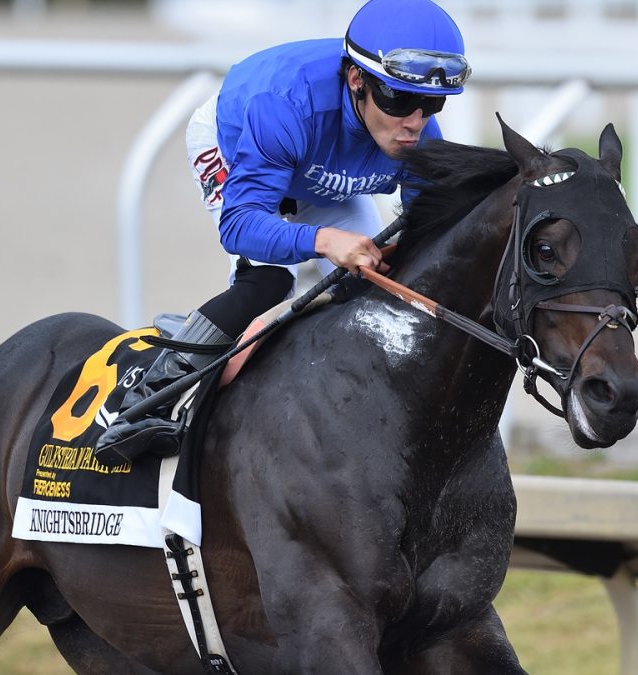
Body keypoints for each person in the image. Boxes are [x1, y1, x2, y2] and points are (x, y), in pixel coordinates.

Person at [94, 0, 471, 463]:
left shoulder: (417, 133)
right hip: (239, 142)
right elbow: (239, 226)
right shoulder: (283, 106)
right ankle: (151, 399)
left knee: (377, 278)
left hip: (319, 161)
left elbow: (428, 239)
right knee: (269, 281)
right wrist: (323, 240)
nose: (414, 122)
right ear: (357, 79)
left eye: (430, 103)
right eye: (398, 100)